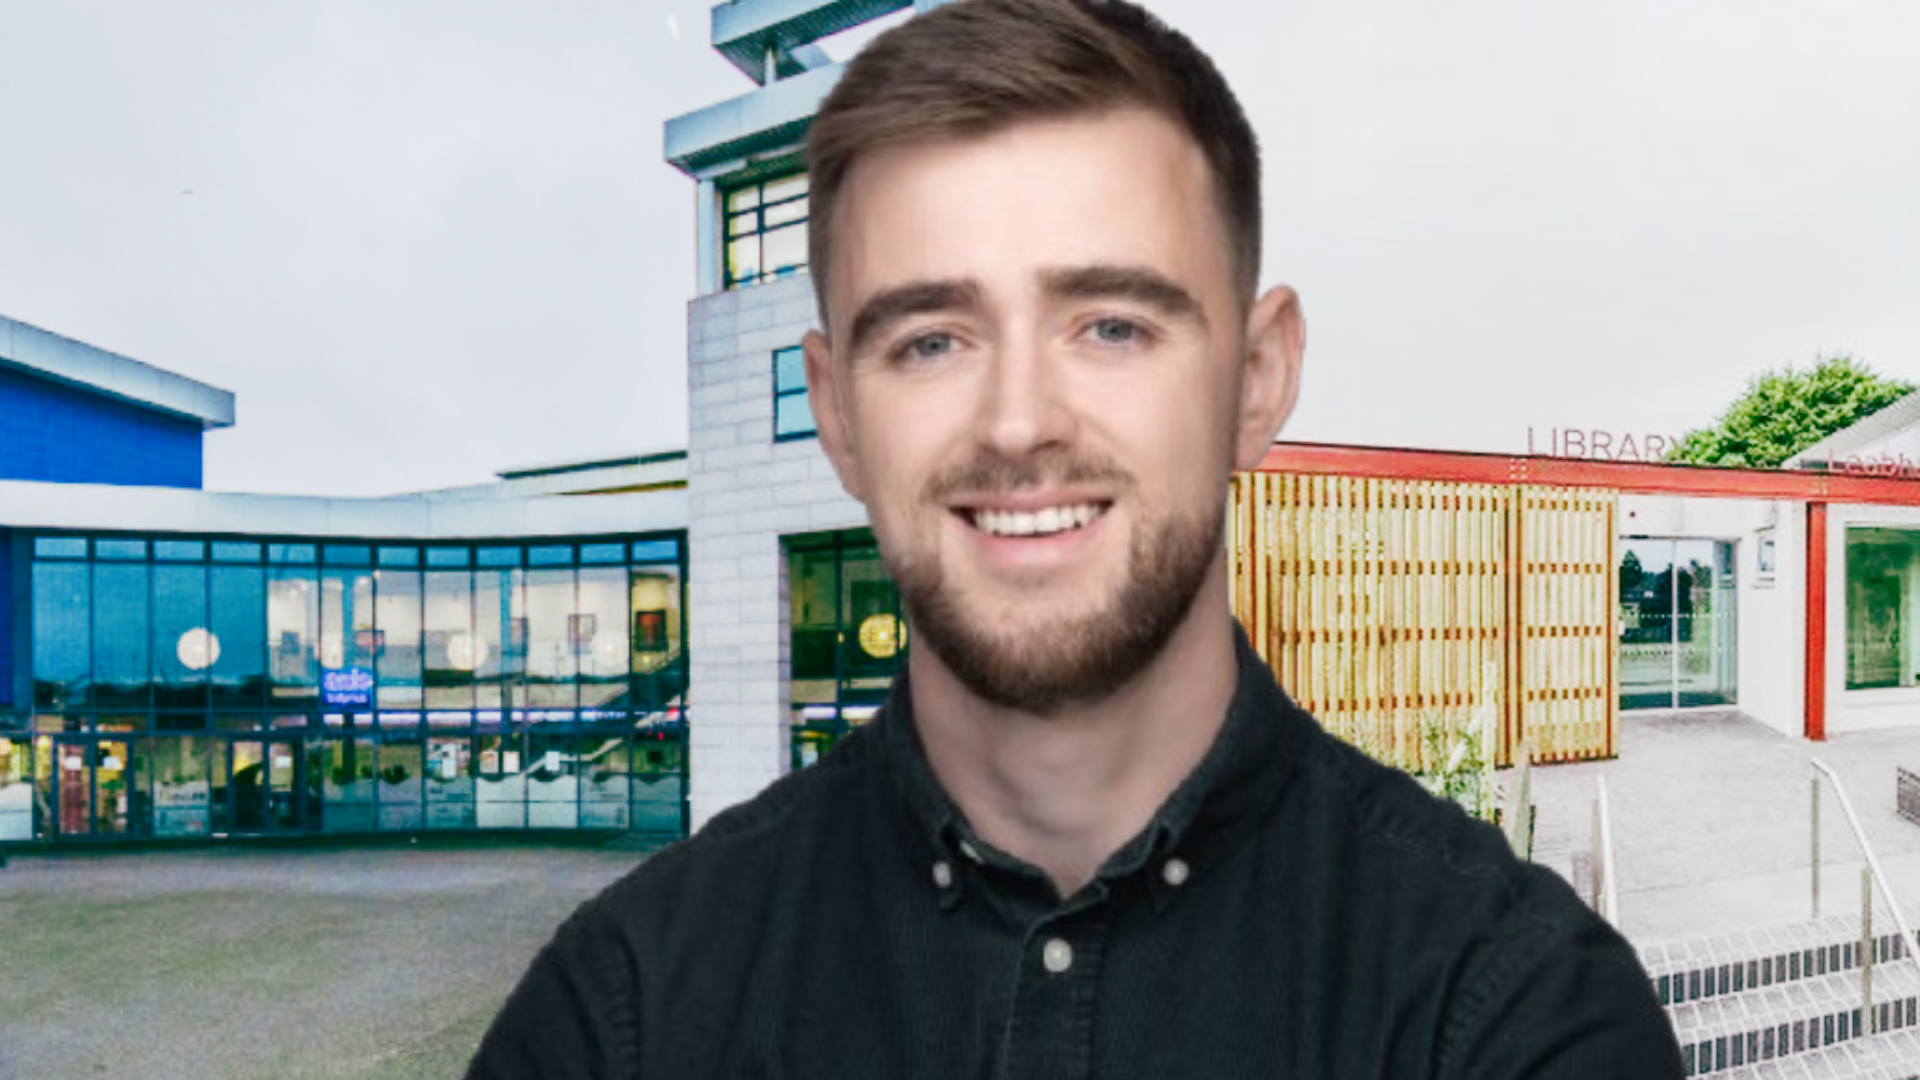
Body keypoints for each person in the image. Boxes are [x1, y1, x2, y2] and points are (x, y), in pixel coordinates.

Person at [467, 1, 1684, 1075]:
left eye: (1109, 325)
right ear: (837, 414)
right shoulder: (621, 1012)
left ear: (1257, 379)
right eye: (931, 340)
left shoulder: (1510, 1012)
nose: (1018, 425)